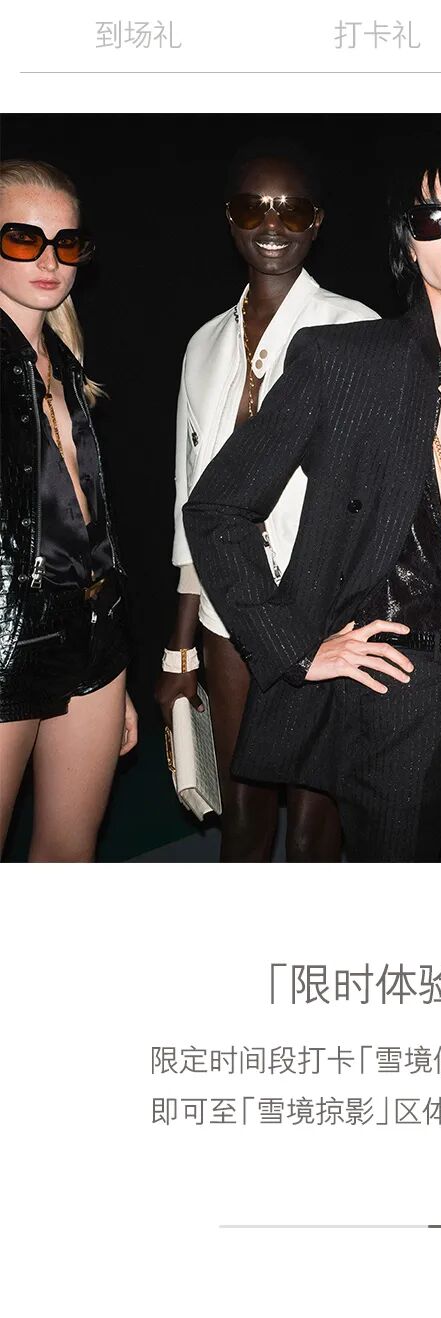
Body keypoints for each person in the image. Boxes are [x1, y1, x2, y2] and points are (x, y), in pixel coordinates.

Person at [184, 156, 441, 862]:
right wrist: (296, 647)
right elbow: (218, 509)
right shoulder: (346, 361)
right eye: (431, 220)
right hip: (391, 690)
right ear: (408, 245)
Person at [155, 140, 378, 862]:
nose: (273, 224)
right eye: (254, 208)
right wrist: (178, 649)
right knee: (242, 816)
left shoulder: (356, 329)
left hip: (324, 616)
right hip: (228, 616)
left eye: (293, 209)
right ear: (230, 218)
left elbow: (381, 494)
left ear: (318, 222)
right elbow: (192, 502)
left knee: (317, 825)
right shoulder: (202, 346)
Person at [0, 159, 137, 862]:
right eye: (22, 238)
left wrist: (112, 670)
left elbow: (88, 527)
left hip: (92, 632)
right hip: (5, 637)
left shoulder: (66, 363)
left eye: (67, 242)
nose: (49, 260)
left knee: (67, 856)